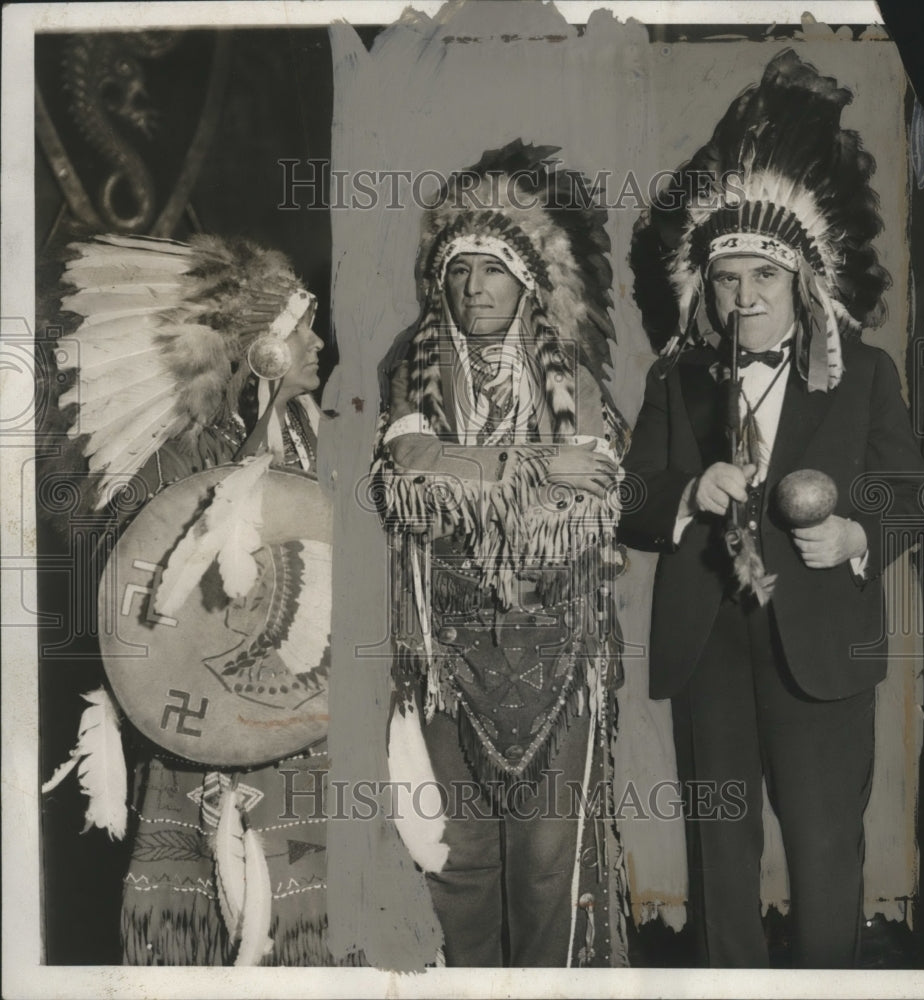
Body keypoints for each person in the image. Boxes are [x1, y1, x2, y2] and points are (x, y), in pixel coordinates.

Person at [621, 50, 924, 968]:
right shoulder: (677, 378)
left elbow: (911, 491)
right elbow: (629, 498)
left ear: (802, 279)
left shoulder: (861, 372)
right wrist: (686, 493)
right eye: (727, 279)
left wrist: (857, 531)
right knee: (721, 861)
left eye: (764, 276)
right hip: (708, 644)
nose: (744, 297)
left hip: (821, 647)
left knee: (826, 852)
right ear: (705, 284)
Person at [42, 234, 350, 965]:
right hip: (206, 719)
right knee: (211, 917)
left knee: (313, 916)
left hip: (312, 712)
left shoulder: (324, 437)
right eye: (301, 331)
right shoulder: (181, 456)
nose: (317, 344)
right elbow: (145, 592)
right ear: (260, 350)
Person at [371, 140, 631, 967]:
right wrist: (535, 467)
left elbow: (591, 493)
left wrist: (473, 474)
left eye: (493, 271)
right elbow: (409, 467)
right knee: (459, 858)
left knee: (548, 864)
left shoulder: (572, 377)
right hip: (445, 651)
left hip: (557, 649)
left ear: (526, 283)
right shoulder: (411, 366)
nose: (475, 287)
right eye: (459, 270)